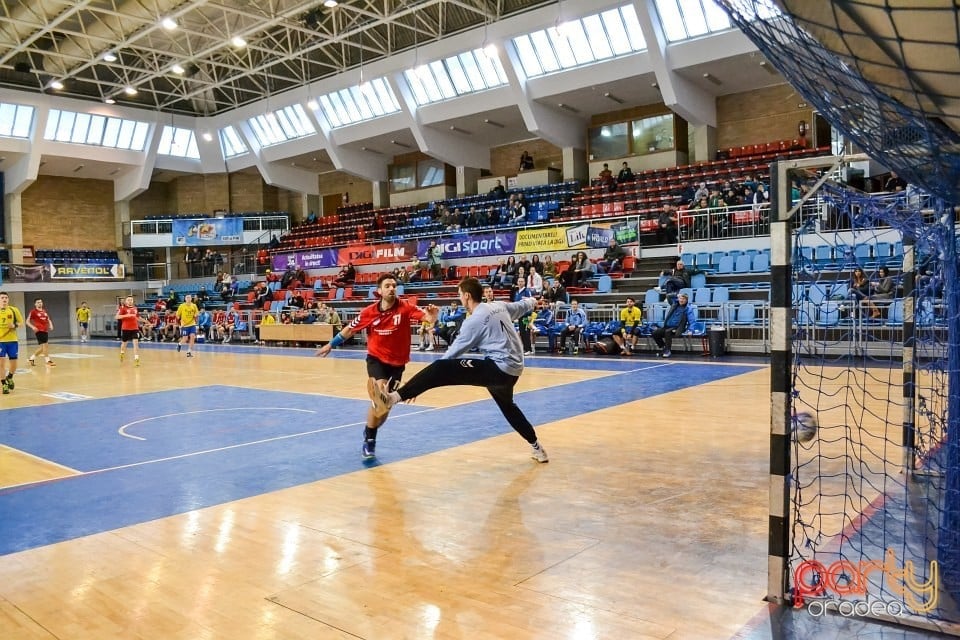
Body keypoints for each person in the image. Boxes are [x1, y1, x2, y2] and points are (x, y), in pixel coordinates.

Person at [371, 277, 548, 463]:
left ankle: (392, 398)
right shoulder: (498, 306)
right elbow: (523, 304)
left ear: (467, 296)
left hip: (499, 369)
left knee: (440, 367)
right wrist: (535, 301)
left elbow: (451, 355)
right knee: (509, 409)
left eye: (460, 295)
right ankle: (537, 448)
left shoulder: (474, 321)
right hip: (514, 369)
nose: (460, 299)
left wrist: (418, 385)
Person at [316, 273, 439, 459]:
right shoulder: (369, 312)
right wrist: (330, 345)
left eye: (394, 285)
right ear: (379, 291)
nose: (392, 288)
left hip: (398, 364)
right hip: (376, 360)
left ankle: (369, 431)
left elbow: (427, 319)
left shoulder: (405, 308)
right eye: (388, 285)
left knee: (385, 407)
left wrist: (432, 317)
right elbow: (349, 330)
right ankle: (370, 441)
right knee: (380, 393)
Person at [652, 293, 696, 358]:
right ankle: (664, 347)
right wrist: (677, 295)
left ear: (686, 300)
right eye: (680, 298)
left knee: (668, 332)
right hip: (667, 326)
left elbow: (692, 320)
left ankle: (668, 350)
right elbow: (668, 296)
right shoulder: (674, 304)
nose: (681, 300)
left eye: (683, 299)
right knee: (655, 333)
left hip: (678, 328)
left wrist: (691, 330)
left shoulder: (688, 309)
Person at [0, 292, 25, 394]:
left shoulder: (14, 310)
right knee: (1, 363)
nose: (4, 299)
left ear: (8, 299)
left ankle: (9, 377)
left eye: (6, 297)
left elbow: (21, 323)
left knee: (14, 364)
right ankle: (4, 384)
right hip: (1, 341)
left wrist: (14, 325)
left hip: (13, 341)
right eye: (2, 298)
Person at [26, 298, 55, 367]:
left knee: (42, 348)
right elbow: (27, 321)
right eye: (38, 302)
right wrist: (33, 327)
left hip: (45, 330)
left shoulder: (44, 311)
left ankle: (31, 358)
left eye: (41, 302)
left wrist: (51, 325)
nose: (40, 303)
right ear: (35, 304)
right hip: (39, 331)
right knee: (45, 346)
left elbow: (48, 319)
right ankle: (48, 361)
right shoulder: (33, 312)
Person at [115, 295, 141, 366]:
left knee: (136, 344)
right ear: (126, 301)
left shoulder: (135, 308)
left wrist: (146, 322)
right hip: (126, 329)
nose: (130, 301)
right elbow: (117, 317)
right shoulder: (123, 308)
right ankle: (122, 353)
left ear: (133, 301)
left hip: (135, 328)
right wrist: (127, 315)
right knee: (124, 344)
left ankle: (136, 359)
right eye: (128, 300)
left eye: (131, 300)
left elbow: (138, 317)